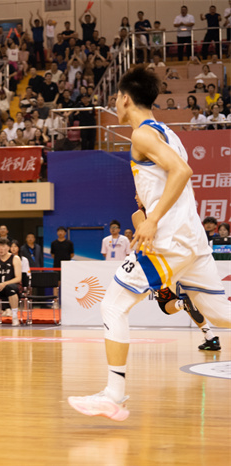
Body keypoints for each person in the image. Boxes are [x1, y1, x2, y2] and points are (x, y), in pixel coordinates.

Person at [68, 66, 231, 422]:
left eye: (115, 98)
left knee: (113, 305)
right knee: (221, 315)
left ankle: (114, 395)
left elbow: (182, 172)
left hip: (170, 239)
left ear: (125, 98)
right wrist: (146, 208)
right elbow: (167, 183)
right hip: (191, 238)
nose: (114, 104)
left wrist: (153, 219)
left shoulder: (142, 135)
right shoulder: (167, 132)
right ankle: (113, 394)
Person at [132, 197, 220, 351]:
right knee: (198, 302)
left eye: (137, 193)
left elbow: (144, 240)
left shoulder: (139, 214)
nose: (135, 197)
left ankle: (183, 305)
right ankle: (210, 338)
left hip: (162, 264)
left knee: (166, 305)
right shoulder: (171, 208)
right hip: (185, 258)